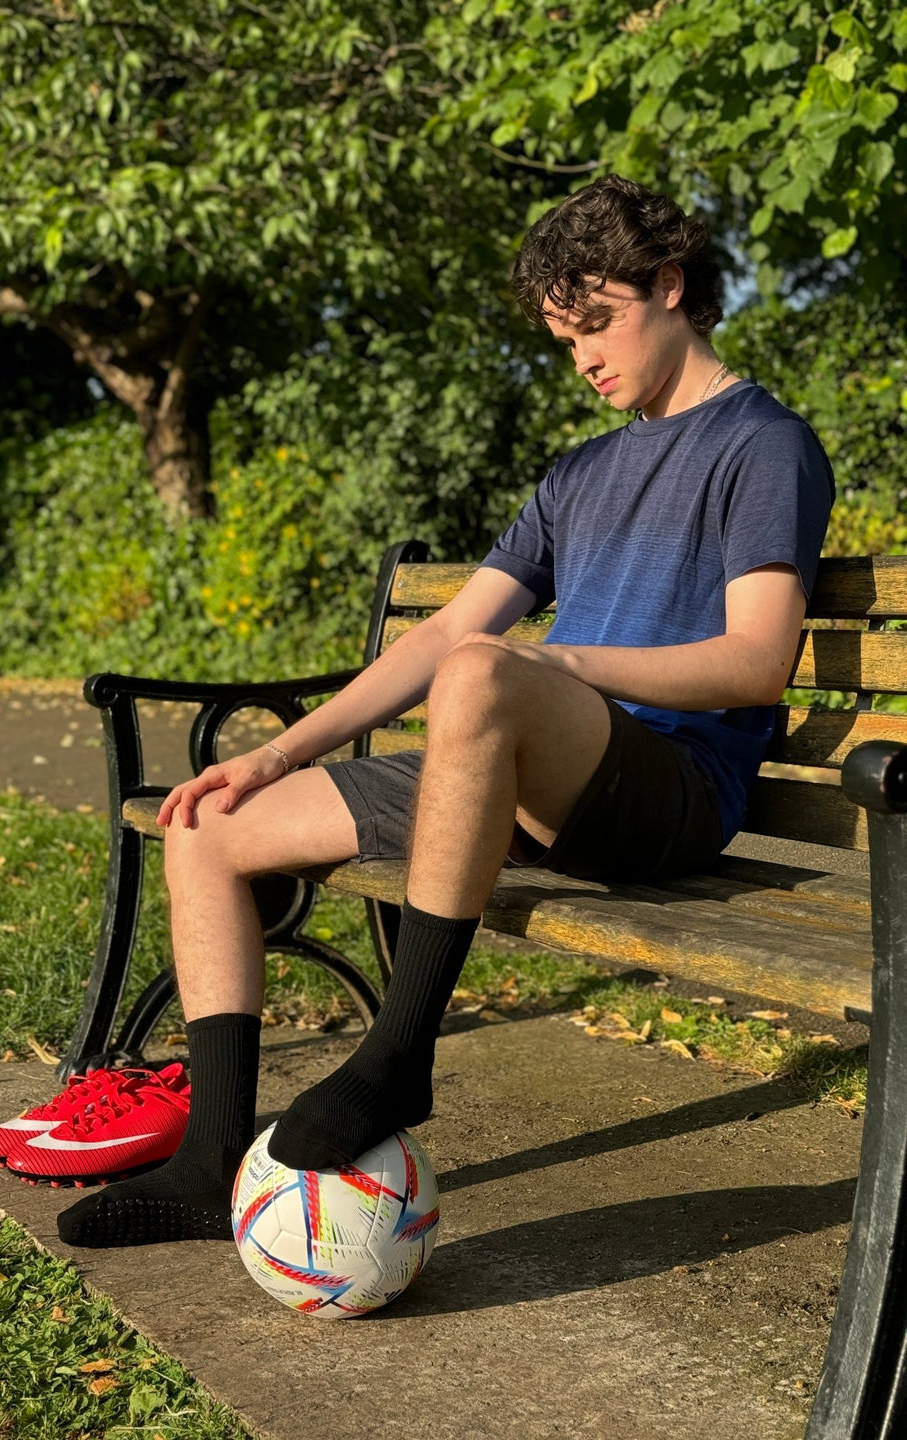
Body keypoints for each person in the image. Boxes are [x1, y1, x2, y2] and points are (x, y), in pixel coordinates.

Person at [56, 175, 834, 1248]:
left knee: (484, 672)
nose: (584, 359)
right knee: (206, 823)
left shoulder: (763, 444)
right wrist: (275, 756)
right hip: (523, 771)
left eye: (596, 325)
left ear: (669, 286)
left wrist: (554, 666)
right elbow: (437, 635)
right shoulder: (582, 470)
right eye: (565, 339)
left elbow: (755, 662)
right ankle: (209, 1161)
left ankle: (398, 1056)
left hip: (666, 790)